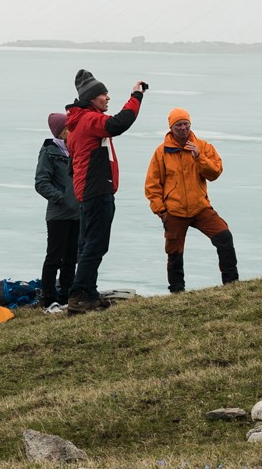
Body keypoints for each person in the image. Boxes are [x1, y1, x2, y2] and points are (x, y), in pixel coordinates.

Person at [60, 68, 147, 311]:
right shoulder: (89, 119)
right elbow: (120, 123)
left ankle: (87, 291)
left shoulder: (77, 124)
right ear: (91, 98)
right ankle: (79, 296)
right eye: (104, 94)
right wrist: (136, 96)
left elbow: (72, 162)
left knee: (88, 244)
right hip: (97, 189)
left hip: (88, 190)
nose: (108, 98)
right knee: (96, 244)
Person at [144, 107, 236, 292]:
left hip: (200, 208)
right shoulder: (161, 152)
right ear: (171, 128)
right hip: (174, 211)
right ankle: (177, 291)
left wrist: (199, 157)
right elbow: (152, 185)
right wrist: (162, 212)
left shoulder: (203, 147)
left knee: (224, 237)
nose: (183, 128)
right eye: (178, 125)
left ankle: (232, 283)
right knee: (174, 253)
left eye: (186, 124)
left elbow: (215, 173)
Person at [32, 112, 79, 308]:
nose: (73, 131)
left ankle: (66, 296)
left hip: (77, 213)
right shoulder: (48, 152)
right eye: (69, 128)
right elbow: (41, 183)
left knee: (71, 257)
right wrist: (62, 198)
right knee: (54, 257)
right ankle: (48, 298)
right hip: (58, 214)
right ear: (60, 132)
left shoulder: (76, 150)